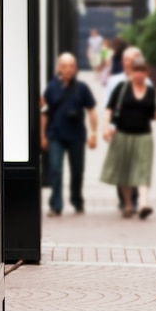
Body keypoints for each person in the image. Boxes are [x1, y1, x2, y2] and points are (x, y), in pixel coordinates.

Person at [41, 52, 98, 216]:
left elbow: (92, 111)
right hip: (55, 136)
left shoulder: (82, 88)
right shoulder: (51, 87)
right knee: (55, 170)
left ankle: (77, 200)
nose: (68, 69)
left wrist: (93, 133)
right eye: (64, 66)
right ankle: (56, 205)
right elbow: (44, 112)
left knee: (77, 171)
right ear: (58, 68)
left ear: (76, 68)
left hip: (76, 136)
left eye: (71, 66)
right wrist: (43, 135)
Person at [101, 57, 156, 219]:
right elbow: (109, 109)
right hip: (122, 135)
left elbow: (152, 114)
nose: (139, 75)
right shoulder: (122, 87)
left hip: (144, 136)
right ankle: (127, 204)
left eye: (142, 71)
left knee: (143, 170)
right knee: (125, 171)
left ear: (147, 74)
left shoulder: (151, 91)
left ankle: (143, 204)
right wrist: (106, 128)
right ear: (131, 73)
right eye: (136, 71)